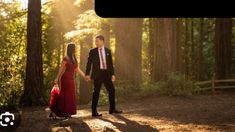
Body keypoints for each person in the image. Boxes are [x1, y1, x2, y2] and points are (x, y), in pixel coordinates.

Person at [85, 35, 123, 117]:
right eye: (95, 41)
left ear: (102, 41)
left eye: (97, 41)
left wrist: (113, 74)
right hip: (97, 74)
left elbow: (110, 64)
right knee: (96, 92)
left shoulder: (108, 51)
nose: (96, 43)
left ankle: (112, 109)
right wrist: (87, 74)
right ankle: (94, 111)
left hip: (106, 74)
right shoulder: (93, 51)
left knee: (112, 90)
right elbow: (89, 63)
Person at [49, 43, 85, 119]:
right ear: (72, 49)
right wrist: (57, 78)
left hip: (71, 79)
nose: (76, 49)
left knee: (71, 95)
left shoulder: (74, 58)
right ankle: (64, 112)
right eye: (75, 48)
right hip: (65, 78)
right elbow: (61, 68)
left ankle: (65, 111)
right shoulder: (66, 58)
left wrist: (84, 76)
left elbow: (77, 69)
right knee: (65, 95)